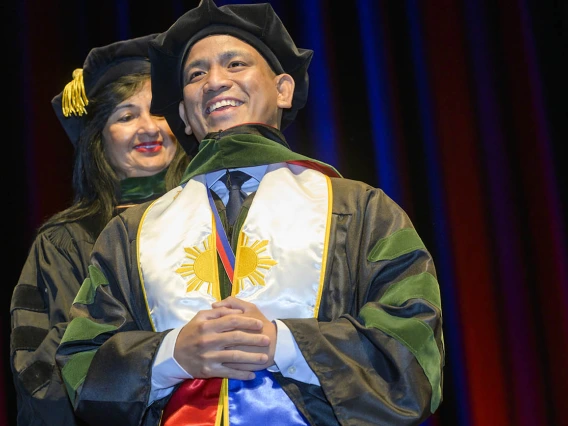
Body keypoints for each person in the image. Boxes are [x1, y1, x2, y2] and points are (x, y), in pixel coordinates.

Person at [55, 1, 444, 425]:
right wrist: (173, 354)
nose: (215, 82)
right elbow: (80, 367)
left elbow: (413, 349)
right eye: (196, 74)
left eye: (235, 63)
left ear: (283, 89)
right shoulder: (129, 233)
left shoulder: (362, 210)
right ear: (183, 114)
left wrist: (283, 343)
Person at [10, 34, 190, 426]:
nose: (148, 128)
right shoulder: (66, 241)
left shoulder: (211, 217)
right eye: (126, 116)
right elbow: (44, 374)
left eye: (158, 112)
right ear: (99, 140)